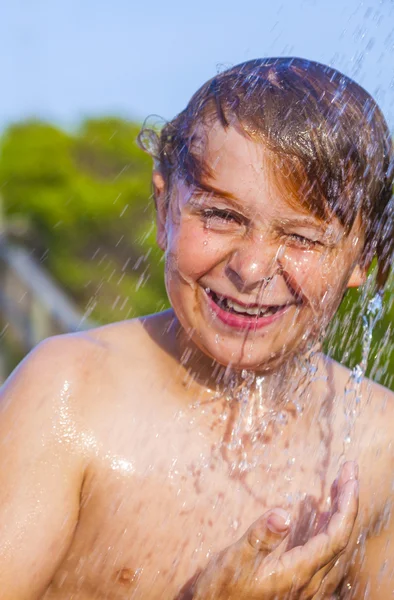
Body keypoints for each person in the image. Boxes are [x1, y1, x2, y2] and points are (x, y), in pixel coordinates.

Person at [0, 57, 393, 600]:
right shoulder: (70, 395)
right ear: (164, 208)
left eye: (302, 238)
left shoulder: (377, 445)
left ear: (365, 260)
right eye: (222, 216)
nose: (252, 268)